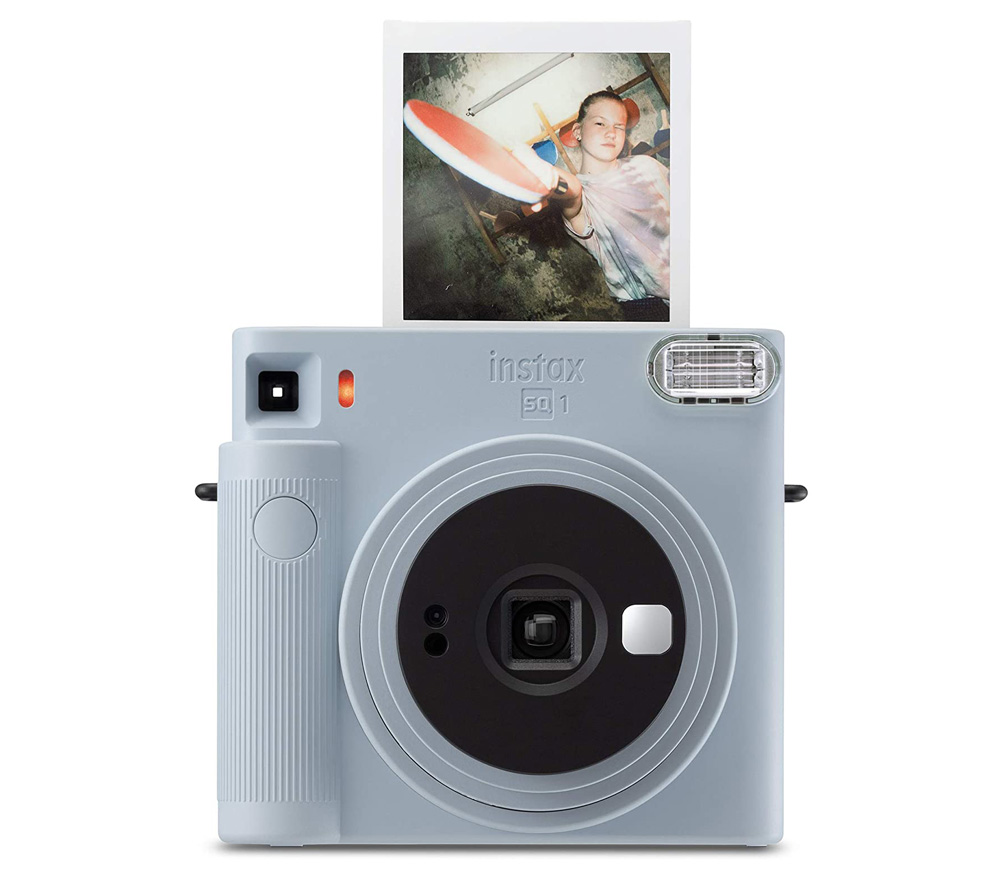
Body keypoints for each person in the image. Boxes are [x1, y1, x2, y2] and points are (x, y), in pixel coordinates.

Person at [517, 91, 671, 321]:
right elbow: (572, 192)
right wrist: (544, 173)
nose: (611, 133)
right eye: (600, 123)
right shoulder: (583, 195)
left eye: (619, 126)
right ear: (577, 131)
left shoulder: (647, 166)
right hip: (652, 308)